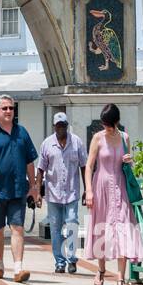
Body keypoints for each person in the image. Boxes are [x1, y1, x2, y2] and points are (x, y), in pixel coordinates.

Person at [0, 94, 39, 282]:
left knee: (17, 228)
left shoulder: (22, 133)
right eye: (5, 108)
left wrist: (33, 186)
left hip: (18, 190)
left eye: (11, 108)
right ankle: (0, 266)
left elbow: (29, 161)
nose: (9, 111)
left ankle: (18, 269)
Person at [84, 103, 143, 285]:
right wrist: (88, 191)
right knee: (102, 228)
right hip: (101, 186)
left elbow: (128, 165)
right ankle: (101, 270)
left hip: (120, 187)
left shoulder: (125, 138)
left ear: (116, 122)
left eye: (109, 124)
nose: (107, 128)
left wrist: (129, 160)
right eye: (104, 124)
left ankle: (121, 276)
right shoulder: (98, 138)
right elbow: (89, 166)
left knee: (124, 228)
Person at [36, 112, 88, 274]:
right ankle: (60, 261)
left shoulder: (77, 142)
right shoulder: (47, 144)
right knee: (55, 228)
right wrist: (37, 192)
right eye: (58, 126)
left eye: (63, 125)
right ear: (54, 127)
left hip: (72, 193)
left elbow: (84, 166)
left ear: (67, 126)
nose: (61, 128)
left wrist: (88, 189)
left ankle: (72, 259)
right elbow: (40, 169)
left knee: (72, 223)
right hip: (53, 194)